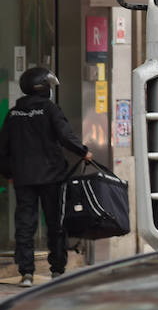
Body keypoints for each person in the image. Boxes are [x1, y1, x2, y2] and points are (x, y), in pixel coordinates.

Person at [0, 67, 91, 287]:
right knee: (55, 223)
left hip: (24, 179)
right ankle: (57, 270)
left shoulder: (14, 113)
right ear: (42, 88)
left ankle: (26, 273)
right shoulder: (50, 109)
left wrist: (9, 173)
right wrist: (84, 151)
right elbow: (65, 135)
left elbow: (3, 148)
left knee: (25, 225)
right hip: (52, 177)